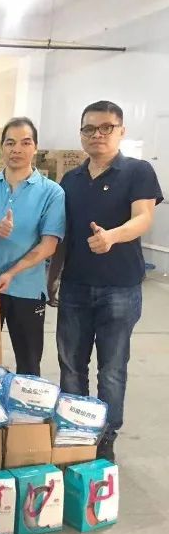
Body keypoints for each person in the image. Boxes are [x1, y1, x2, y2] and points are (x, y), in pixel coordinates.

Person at [49, 100, 163, 462]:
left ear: (121, 131)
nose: (96, 135)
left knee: (111, 369)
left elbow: (144, 218)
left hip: (120, 287)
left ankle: (105, 436)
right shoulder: (71, 180)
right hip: (75, 286)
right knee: (71, 365)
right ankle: (75, 431)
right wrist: (52, 276)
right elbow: (63, 234)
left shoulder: (138, 171)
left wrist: (112, 236)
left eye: (105, 128)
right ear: (81, 133)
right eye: (89, 128)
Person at [0, 117, 65, 376]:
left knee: (29, 364)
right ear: (2, 147)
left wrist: (12, 272)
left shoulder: (52, 192)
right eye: (10, 143)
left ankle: (25, 403)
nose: (17, 149)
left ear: (35, 147)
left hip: (27, 289)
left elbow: (48, 245)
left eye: (25, 143)